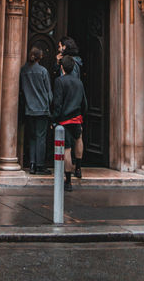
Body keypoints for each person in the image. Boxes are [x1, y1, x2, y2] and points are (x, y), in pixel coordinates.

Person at [51, 54, 87, 189]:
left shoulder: (60, 81)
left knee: (67, 149)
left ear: (62, 67)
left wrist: (54, 119)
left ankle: (68, 180)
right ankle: (78, 168)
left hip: (64, 120)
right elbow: (84, 103)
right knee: (79, 139)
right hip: (77, 118)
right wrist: (82, 116)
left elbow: (58, 103)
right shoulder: (79, 82)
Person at [19, 46, 52, 174]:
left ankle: (32, 164)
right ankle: (40, 165)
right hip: (41, 109)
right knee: (41, 137)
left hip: (29, 109)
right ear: (40, 57)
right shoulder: (43, 71)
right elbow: (49, 92)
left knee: (32, 137)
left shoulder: (23, 71)